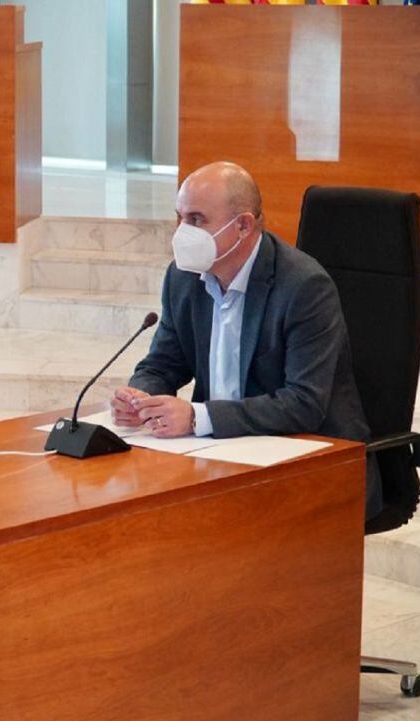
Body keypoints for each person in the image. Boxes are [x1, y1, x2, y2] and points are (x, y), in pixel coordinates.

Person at [110, 161, 380, 518]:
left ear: (242, 225)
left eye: (196, 220)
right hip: (220, 452)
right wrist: (141, 396)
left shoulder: (303, 287)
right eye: (179, 218)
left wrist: (196, 418)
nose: (181, 233)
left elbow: (304, 403)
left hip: (311, 458)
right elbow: (163, 363)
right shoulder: (183, 277)